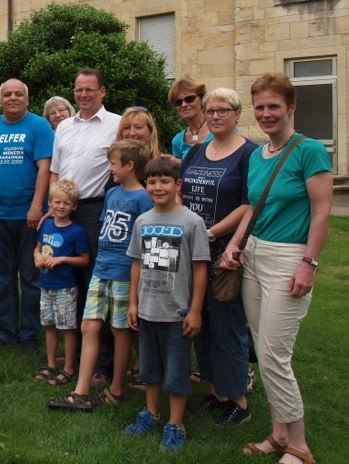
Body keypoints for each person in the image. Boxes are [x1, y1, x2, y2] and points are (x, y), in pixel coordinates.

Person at [220, 73, 332, 464]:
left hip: (290, 257)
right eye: (261, 107)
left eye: (274, 106)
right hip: (254, 253)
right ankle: (279, 433)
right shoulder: (257, 155)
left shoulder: (310, 150)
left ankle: (299, 447)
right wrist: (235, 245)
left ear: (291, 107)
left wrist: (308, 264)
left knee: (273, 354)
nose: (266, 114)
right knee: (262, 348)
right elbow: (255, 206)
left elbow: (321, 212)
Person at [49, 139, 153, 411]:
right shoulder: (112, 193)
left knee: (119, 330)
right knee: (89, 326)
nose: (110, 169)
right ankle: (81, 391)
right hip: (101, 268)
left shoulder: (143, 198)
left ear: (129, 166)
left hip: (123, 271)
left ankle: (116, 389)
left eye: (113, 164)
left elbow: (143, 240)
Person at [180, 87, 257, 425]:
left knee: (228, 324)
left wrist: (211, 233)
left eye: (223, 110)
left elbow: (248, 203)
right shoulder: (196, 153)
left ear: (238, 114)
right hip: (194, 250)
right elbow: (180, 190)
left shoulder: (249, 154)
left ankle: (237, 399)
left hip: (226, 251)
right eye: (210, 111)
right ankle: (216, 391)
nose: (215, 116)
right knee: (202, 322)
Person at [123, 157, 210, 453]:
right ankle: (152, 414)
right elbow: (136, 263)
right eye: (152, 182)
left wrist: (195, 309)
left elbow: (200, 268)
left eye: (164, 181)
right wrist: (133, 303)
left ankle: (175, 424)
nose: (157, 187)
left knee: (176, 371)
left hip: (177, 313)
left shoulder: (192, 222)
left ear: (177, 185)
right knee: (149, 368)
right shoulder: (143, 221)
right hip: (147, 310)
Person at [0, 78, 54, 353]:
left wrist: (37, 206)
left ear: (27, 100)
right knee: (2, 276)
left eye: (18, 94)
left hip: (28, 215)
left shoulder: (38, 126)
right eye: (7, 94)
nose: (13, 98)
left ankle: (29, 334)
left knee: (30, 277)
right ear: (0, 99)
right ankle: (7, 332)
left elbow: (45, 168)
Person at [50, 68, 122, 382]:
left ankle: (103, 363)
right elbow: (55, 170)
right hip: (63, 212)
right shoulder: (64, 126)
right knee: (70, 284)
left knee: (96, 284)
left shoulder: (116, 124)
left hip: (94, 209)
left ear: (102, 91)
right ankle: (77, 352)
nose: (83, 95)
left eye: (90, 89)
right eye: (79, 89)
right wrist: (50, 209)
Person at [33, 179, 89, 386]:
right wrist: (37, 256)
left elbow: (84, 259)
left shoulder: (77, 232)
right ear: (50, 203)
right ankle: (50, 364)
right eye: (57, 202)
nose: (61, 207)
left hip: (65, 287)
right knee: (49, 325)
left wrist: (63, 259)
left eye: (66, 203)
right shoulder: (46, 224)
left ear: (74, 206)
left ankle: (68, 368)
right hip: (46, 284)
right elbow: (37, 247)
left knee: (67, 327)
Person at [168, 76, 212, 162]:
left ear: (202, 99)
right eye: (178, 102)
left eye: (189, 99)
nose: (183, 105)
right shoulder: (178, 140)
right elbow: (178, 172)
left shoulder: (220, 130)